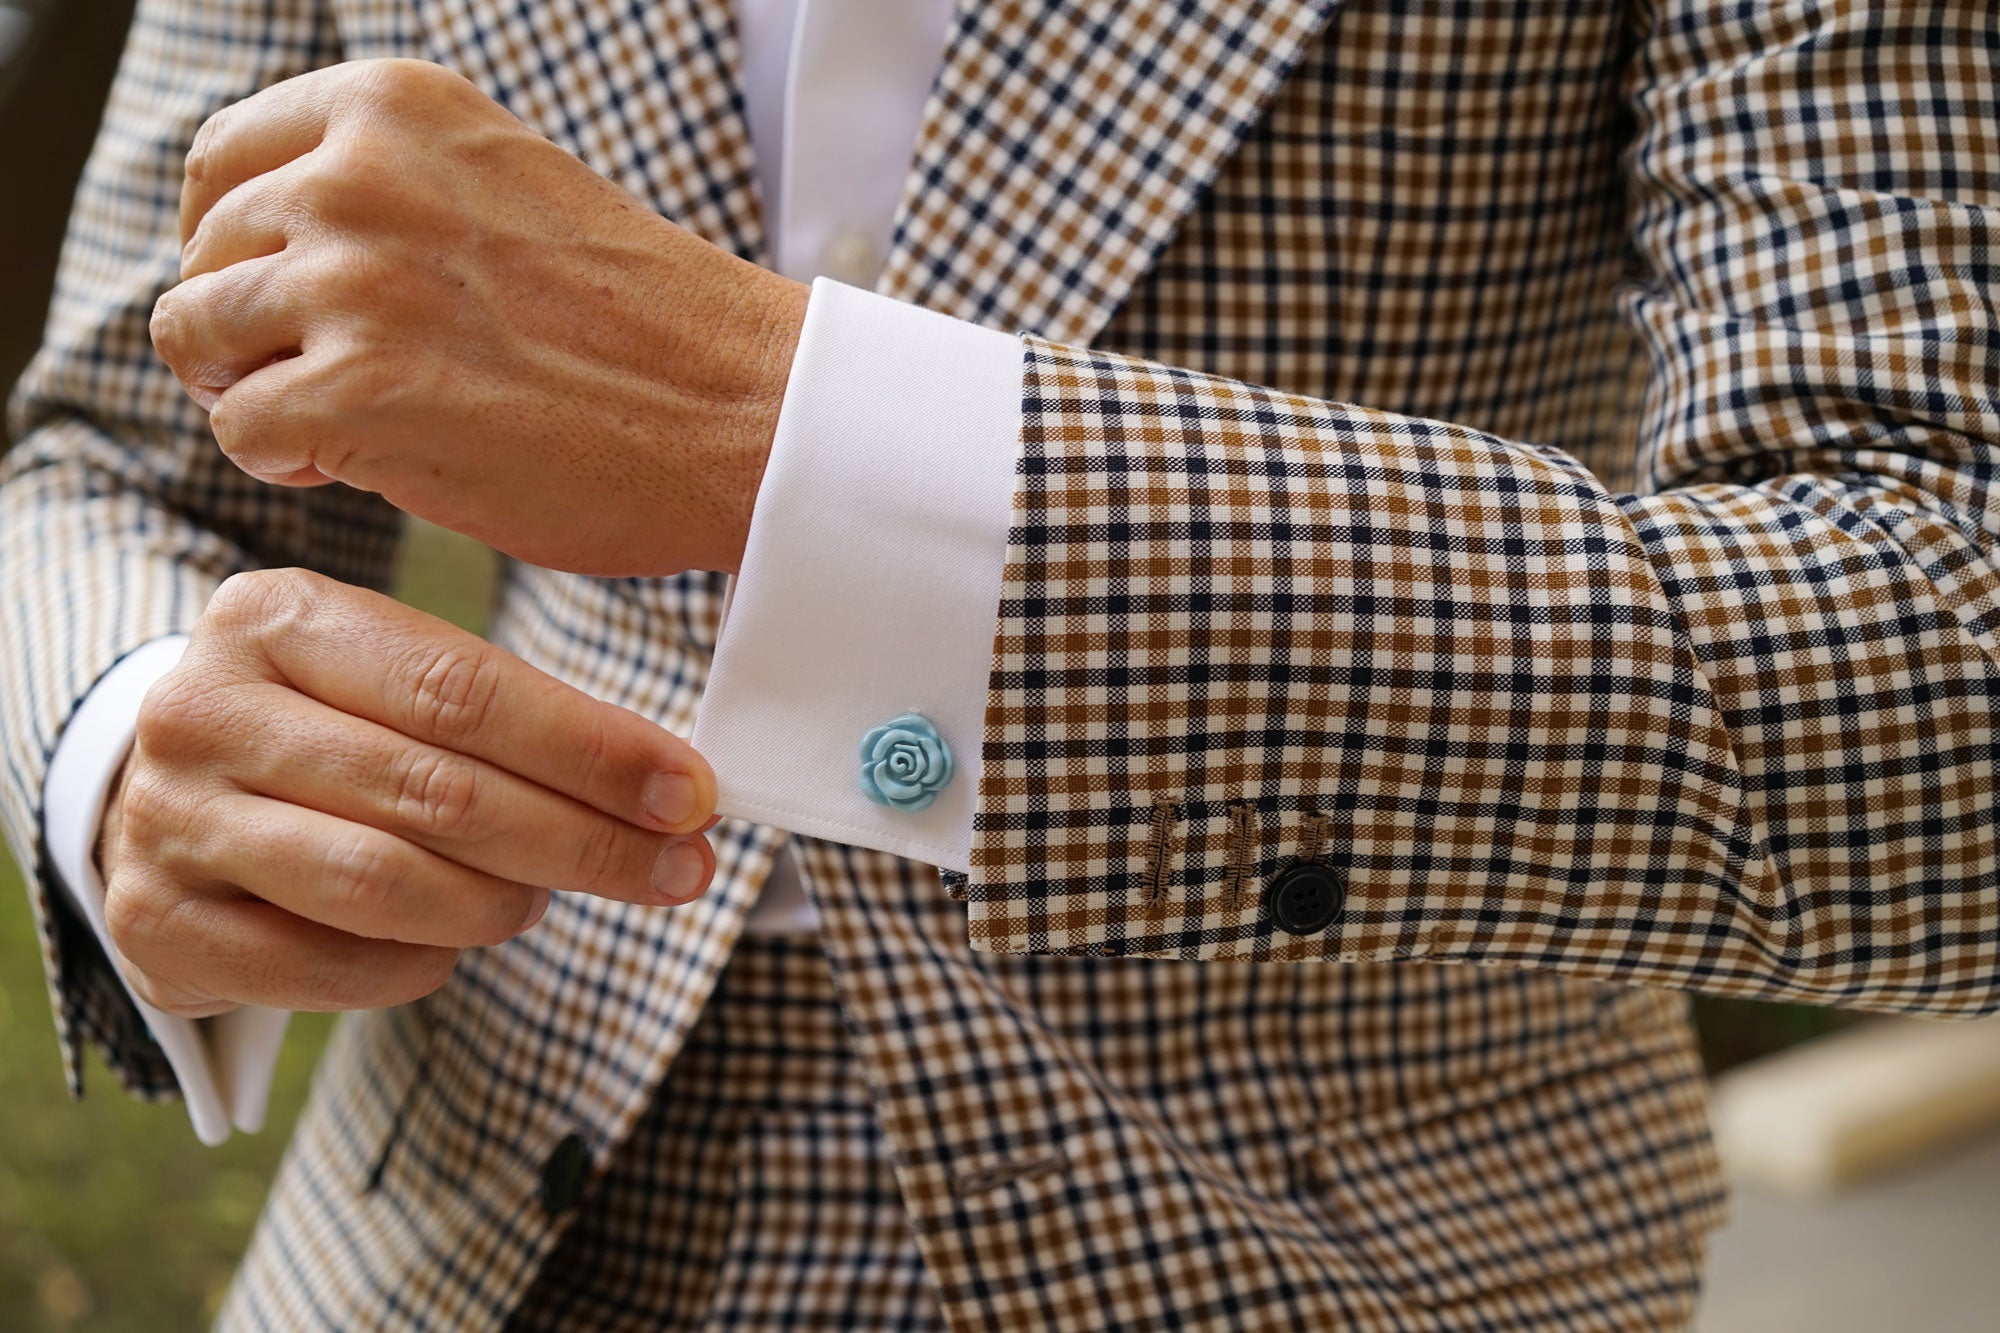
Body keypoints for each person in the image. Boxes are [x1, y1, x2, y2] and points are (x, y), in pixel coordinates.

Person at [3, 0, 1994, 1327]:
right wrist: (128, 734)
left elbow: (1943, 653)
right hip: (440, 1234)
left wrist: (785, 421)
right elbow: (104, 456)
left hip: (1346, 1246)